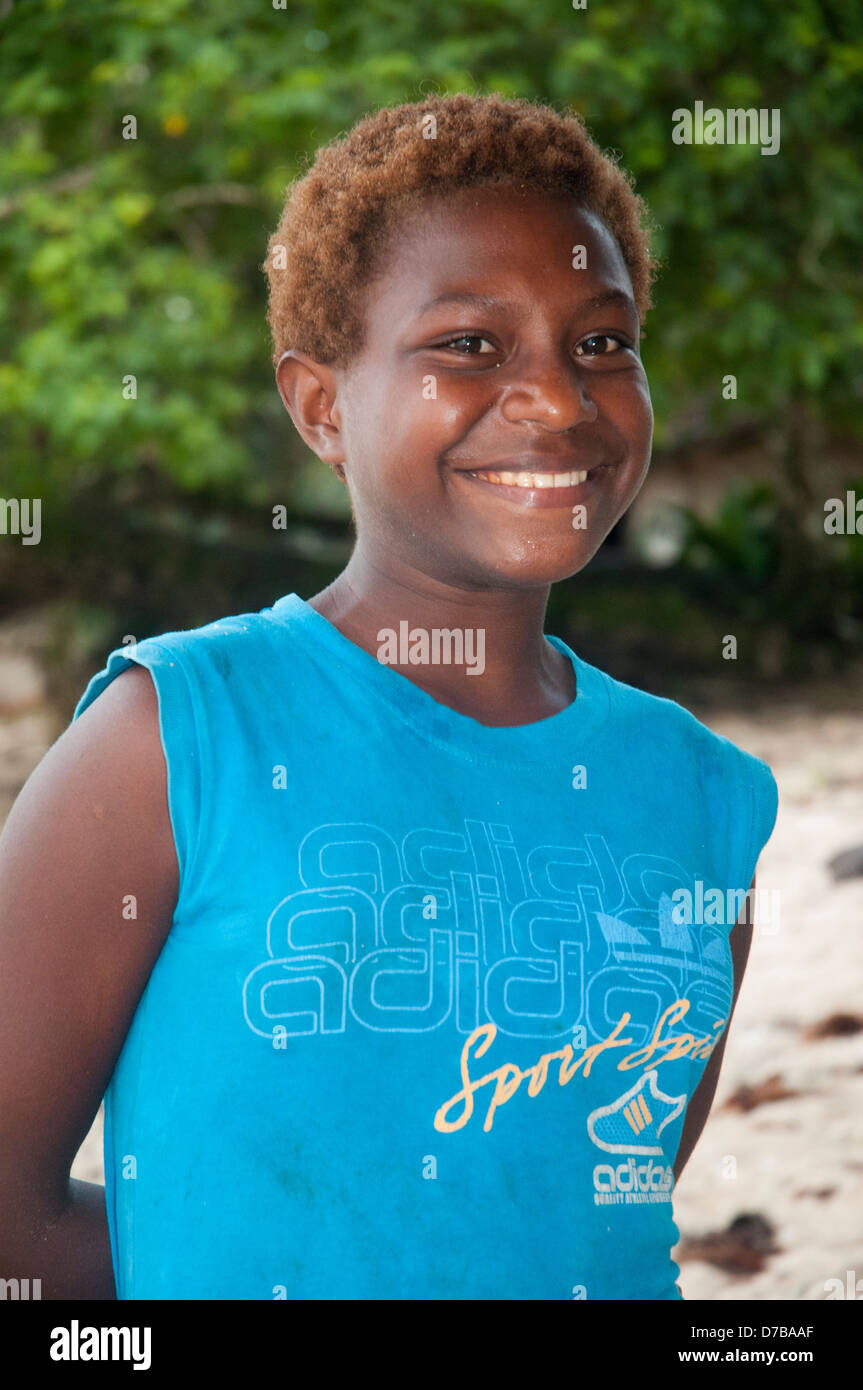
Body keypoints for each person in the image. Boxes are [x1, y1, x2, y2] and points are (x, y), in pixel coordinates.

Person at [0, 93, 777, 1300]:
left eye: (600, 341)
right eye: (469, 344)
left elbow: (595, 1202)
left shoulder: (701, 796)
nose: (558, 401)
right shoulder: (172, 743)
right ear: (320, 406)